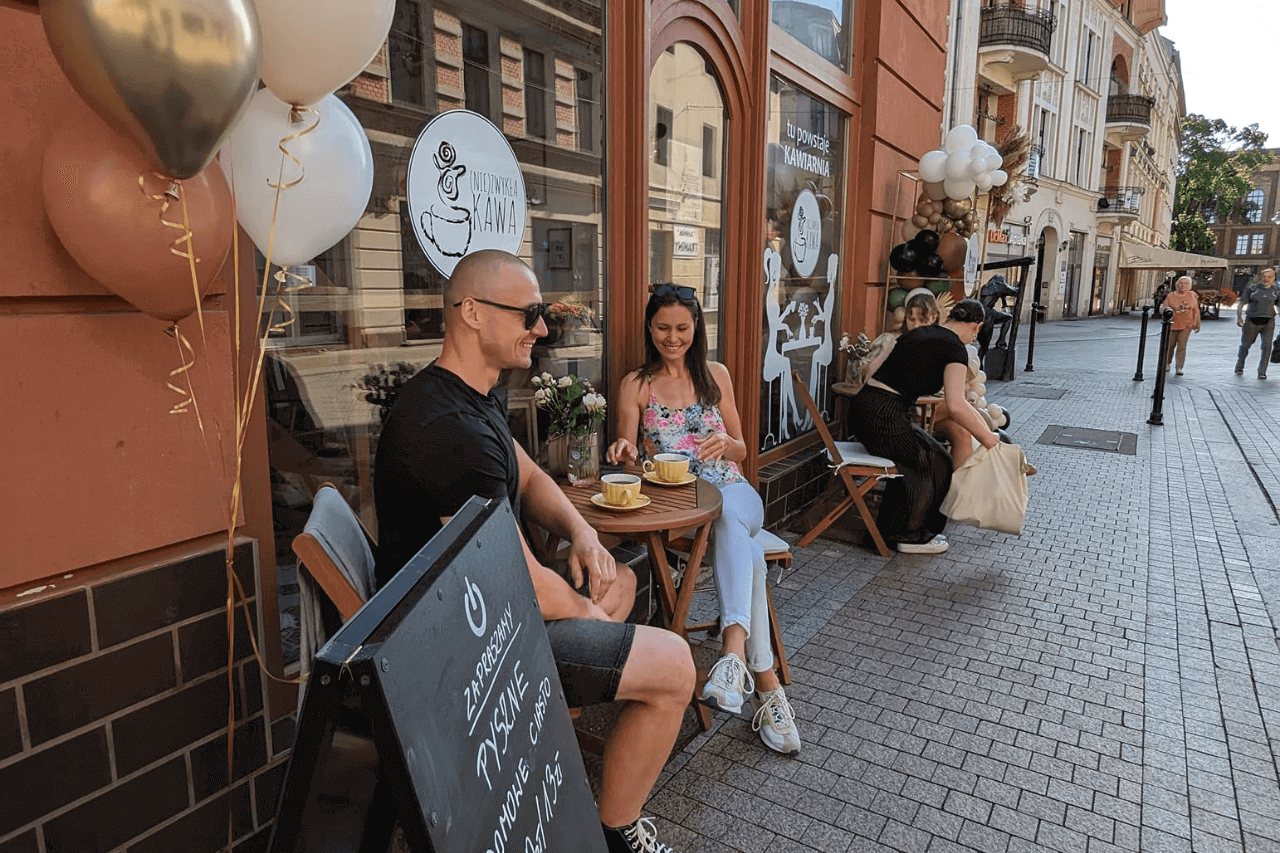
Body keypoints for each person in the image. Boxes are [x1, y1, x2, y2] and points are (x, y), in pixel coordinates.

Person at [374, 250, 695, 853]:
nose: (542, 328)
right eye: (529, 314)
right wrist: (586, 613)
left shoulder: (472, 397)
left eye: (541, 313)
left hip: (483, 616)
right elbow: (514, 577)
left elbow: (529, 477)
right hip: (467, 656)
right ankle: (614, 832)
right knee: (675, 665)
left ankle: (567, 750)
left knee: (617, 580)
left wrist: (584, 534)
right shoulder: (445, 428)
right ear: (471, 313)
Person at [606, 283, 802, 756]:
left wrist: (726, 446)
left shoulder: (716, 374)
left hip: (733, 491)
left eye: (682, 328)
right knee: (747, 551)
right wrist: (626, 452)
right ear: (649, 328)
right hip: (679, 507)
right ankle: (763, 681)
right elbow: (627, 459)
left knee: (731, 518)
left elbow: (742, 447)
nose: (672, 338)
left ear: (697, 328)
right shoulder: (637, 384)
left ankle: (733, 661)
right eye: (662, 328)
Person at [846, 298, 1001, 554]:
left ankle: (898, 530)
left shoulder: (923, 334)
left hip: (869, 409)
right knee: (931, 460)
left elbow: (873, 373)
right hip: (883, 415)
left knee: (934, 457)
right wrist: (987, 437)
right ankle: (909, 535)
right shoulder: (955, 349)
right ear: (977, 326)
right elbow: (956, 404)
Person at [1234, 266, 1278, 379]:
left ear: (1273, 278)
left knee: (1267, 347)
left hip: (1268, 321)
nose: (1266, 279)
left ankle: (1262, 371)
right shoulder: (1252, 289)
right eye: (1264, 276)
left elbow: (1278, 305)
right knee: (1245, 345)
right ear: (1261, 277)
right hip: (1251, 321)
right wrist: (1239, 317)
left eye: (1269, 277)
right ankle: (1240, 365)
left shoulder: (1276, 290)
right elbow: (1241, 303)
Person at [1163, 275, 1201, 375]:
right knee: (1170, 345)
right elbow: (1165, 308)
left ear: (1189, 286)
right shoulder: (1171, 295)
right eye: (1181, 283)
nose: (1183, 285)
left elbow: (1196, 310)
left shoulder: (1192, 295)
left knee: (1182, 346)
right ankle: (1167, 363)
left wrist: (1197, 323)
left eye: (1186, 283)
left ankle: (1179, 367)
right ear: (1177, 285)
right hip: (1172, 324)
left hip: (1187, 324)